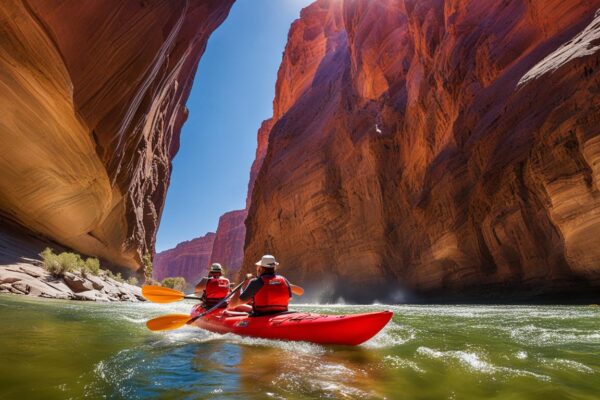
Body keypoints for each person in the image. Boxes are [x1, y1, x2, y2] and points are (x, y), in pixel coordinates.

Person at [228, 255, 304, 315]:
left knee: (235, 307)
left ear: (261, 268)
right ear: (274, 268)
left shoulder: (256, 282)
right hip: (281, 314)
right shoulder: (284, 280)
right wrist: (288, 285)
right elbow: (301, 292)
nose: (257, 269)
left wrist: (240, 286)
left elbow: (233, 304)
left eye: (258, 267)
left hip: (262, 315)